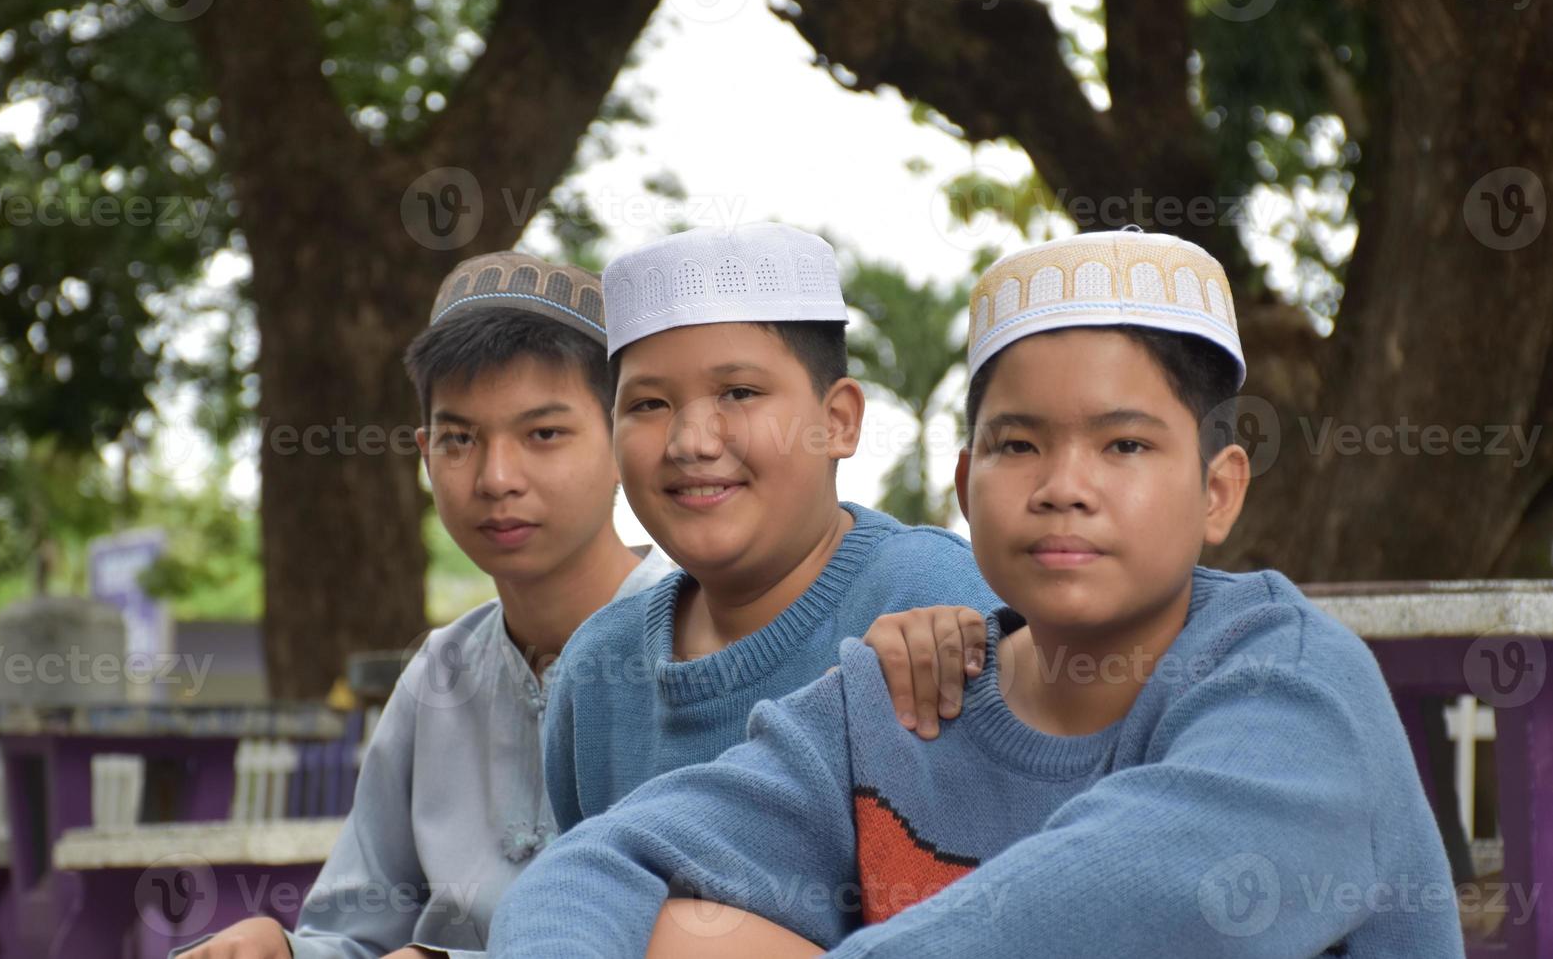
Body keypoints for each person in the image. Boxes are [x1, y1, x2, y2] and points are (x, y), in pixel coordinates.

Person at [488, 229, 1463, 958]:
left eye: (1123, 443)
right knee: (677, 927)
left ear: (1217, 489)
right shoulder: (899, 696)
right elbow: (596, 864)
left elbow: (1110, 903)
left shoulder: (1292, 688)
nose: (1061, 484)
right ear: (964, 488)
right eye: (1016, 443)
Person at [177, 252, 674, 958]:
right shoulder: (437, 675)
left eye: (543, 434)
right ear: (424, 453)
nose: (496, 478)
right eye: (459, 440)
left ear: (623, 441)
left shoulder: (706, 645)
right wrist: (285, 950)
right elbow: (357, 933)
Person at [543, 222, 1000, 835]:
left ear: (838, 420)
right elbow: (586, 904)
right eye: (648, 405)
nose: (690, 442)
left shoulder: (939, 599)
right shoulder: (596, 670)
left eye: (738, 392)